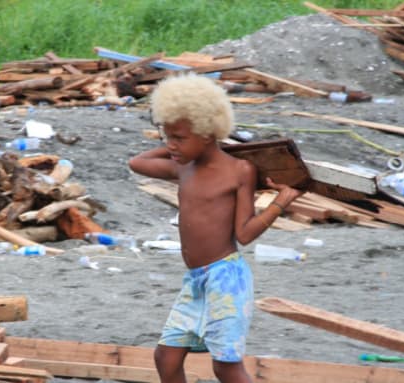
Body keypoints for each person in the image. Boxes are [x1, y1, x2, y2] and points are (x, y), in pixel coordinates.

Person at [128, 73, 303, 383]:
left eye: (179, 137)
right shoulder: (182, 167)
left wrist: (281, 200)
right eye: (166, 136)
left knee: (225, 366)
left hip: (226, 279)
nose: (171, 145)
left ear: (208, 132)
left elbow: (245, 234)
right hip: (195, 280)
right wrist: (176, 143)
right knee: (165, 357)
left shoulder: (239, 171)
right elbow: (137, 162)